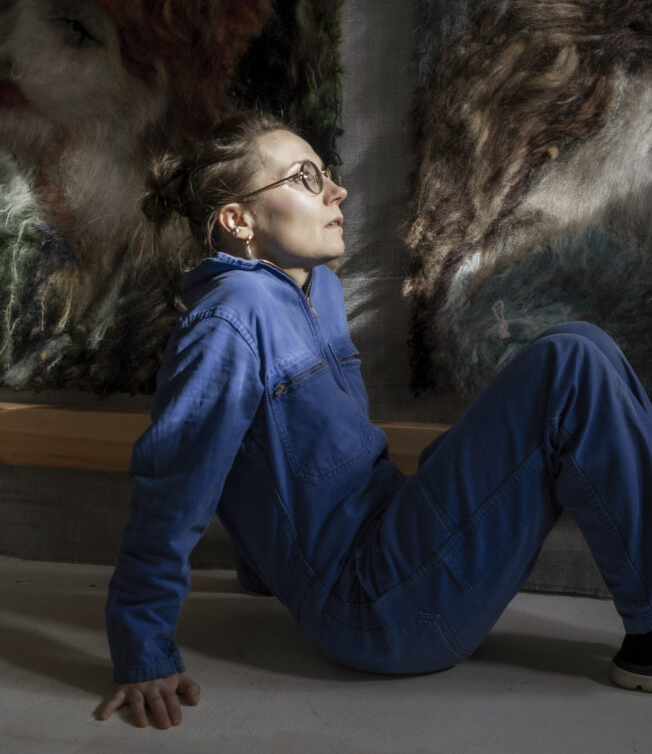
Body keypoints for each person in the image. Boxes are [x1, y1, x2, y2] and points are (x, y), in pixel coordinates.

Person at [99, 111, 652, 729]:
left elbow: (284, 453)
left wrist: (265, 573)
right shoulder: (231, 318)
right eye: (304, 177)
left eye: (328, 173)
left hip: (390, 544)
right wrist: (142, 651)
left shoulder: (320, 291)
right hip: (373, 606)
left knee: (588, 347)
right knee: (569, 360)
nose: (337, 191)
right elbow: (175, 484)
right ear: (238, 220)